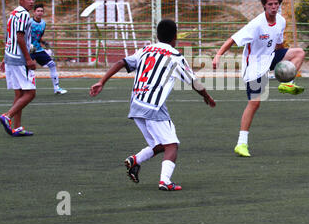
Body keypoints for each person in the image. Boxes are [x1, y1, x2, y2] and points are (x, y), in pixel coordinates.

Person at [90, 19, 216, 191]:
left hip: (136, 105)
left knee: (160, 144)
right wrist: (207, 96)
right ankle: (165, 181)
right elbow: (193, 81)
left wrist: (101, 81)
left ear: (157, 35)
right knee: (172, 145)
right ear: (175, 37)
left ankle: (135, 160)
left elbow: (121, 63)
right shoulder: (175, 56)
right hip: (153, 106)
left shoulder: (145, 49)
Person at [212, 0, 305, 157]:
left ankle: (286, 84)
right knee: (254, 104)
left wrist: (283, 65)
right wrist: (218, 55)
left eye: (276, 4)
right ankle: (241, 144)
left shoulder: (281, 21)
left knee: (299, 53)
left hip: (269, 57)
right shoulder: (255, 24)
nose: (274, 7)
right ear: (264, 6)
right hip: (254, 66)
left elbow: (278, 45)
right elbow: (232, 39)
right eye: (270, 4)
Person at [0, 0, 37, 137]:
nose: (31, 2)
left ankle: (17, 127)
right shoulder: (24, 15)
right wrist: (28, 59)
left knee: (19, 93)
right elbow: (20, 37)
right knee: (31, 93)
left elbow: (10, 36)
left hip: (10, 56)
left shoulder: (13, 13)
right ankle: (7, 116)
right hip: (19, 59)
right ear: (21, 0)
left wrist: (4, 58)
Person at [29, 3, 67, 94]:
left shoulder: (43, 23)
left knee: (52, 64)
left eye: (41, 11)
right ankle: (28, 89)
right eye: (38, 11)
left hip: (38, 48)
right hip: (29, 48)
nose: (40, 13)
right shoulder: (29, 22)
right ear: (34, 12)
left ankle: (56, 88)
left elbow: (39, 37)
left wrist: (44, 43)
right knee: (30, 68)